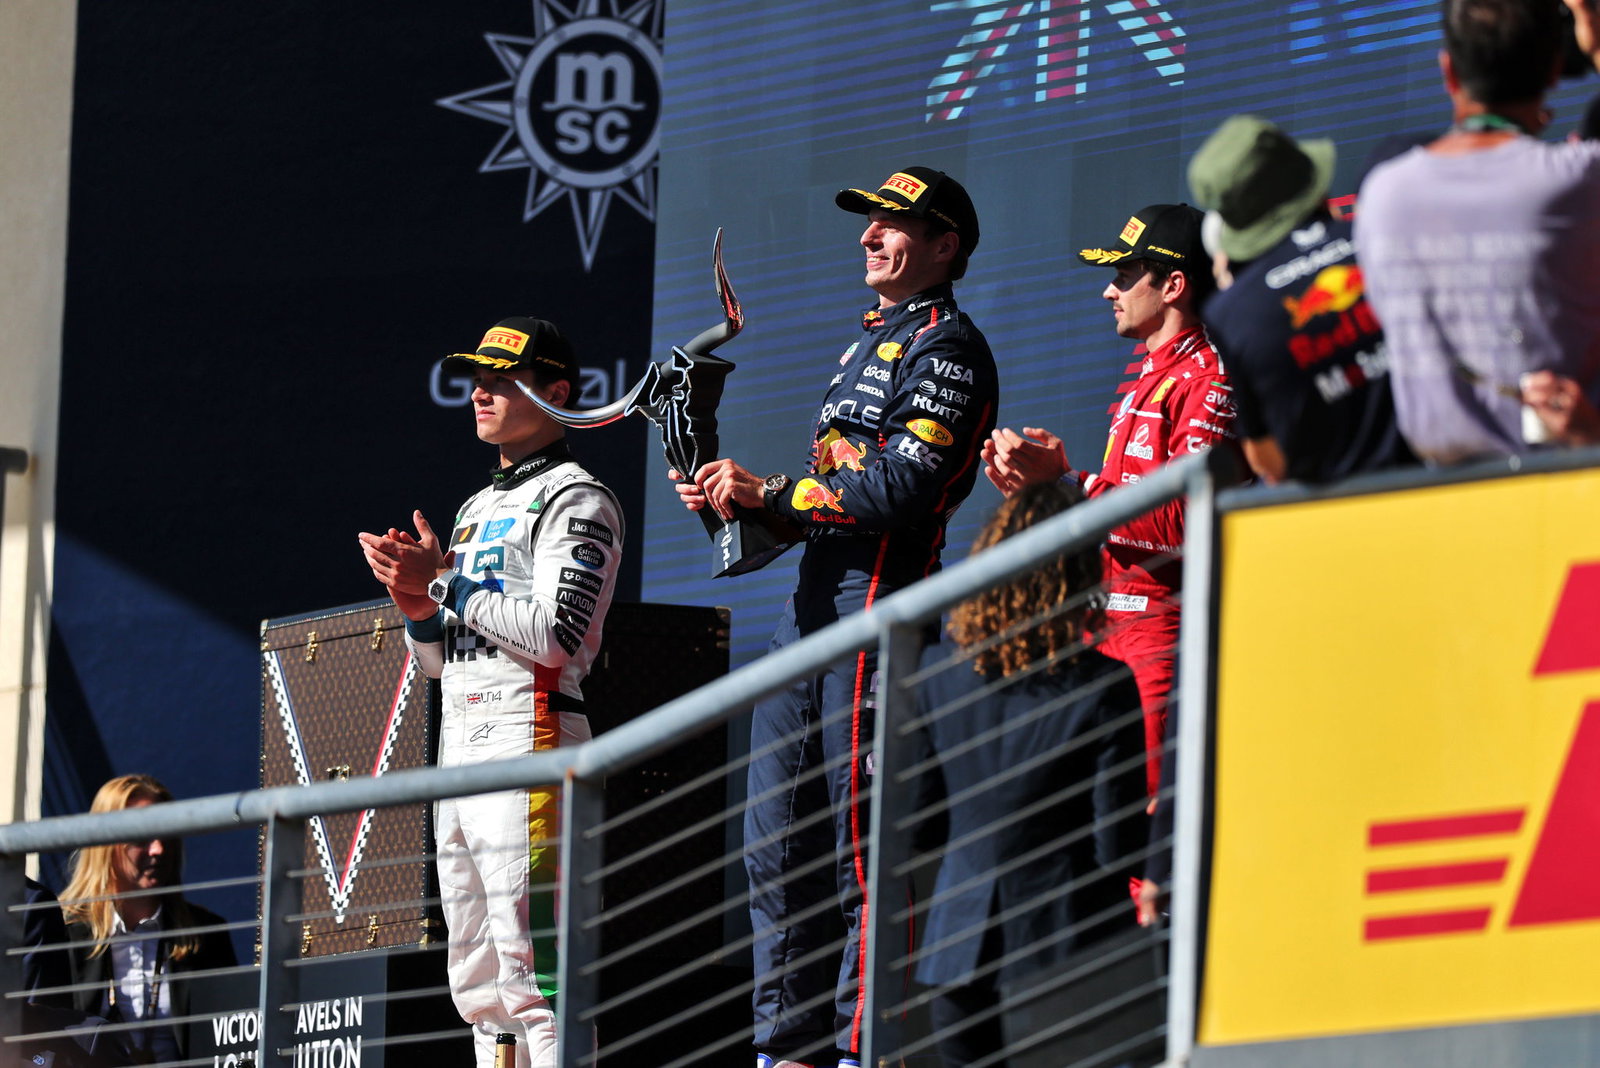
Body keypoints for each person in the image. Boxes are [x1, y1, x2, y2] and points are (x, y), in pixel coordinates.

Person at [672, 166, 998, 1068]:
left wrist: (773, 491)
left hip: (878, 615)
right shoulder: (868, 344)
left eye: (893, 224)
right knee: (774, 850)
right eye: (868, 222)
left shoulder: (950, 349)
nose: (868, 236)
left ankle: (862, 1049)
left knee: (863, 854)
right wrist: (742, 506)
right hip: (810, 611)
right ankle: (786, 1050)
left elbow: (897, 490)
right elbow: (834, 499)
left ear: (945, 246)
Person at [358, 317, 623, 1068]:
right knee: (477, 979)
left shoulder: (579, 499)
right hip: (461, 749)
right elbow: (441, 664)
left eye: (503, 380)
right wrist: (416, 606)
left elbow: (555, 638)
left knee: (537, 971)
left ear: (558, 394)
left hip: (531, 740)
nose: (481, 393)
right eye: (477, 379)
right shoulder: (474, 508)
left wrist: (443, 579)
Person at [982, 203, 1237, 793]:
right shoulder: (1149, 377)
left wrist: (1071, 484)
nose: (1108, 291)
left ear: (1173, 285)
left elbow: (1188, 523)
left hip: (1163, 631)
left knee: (1145, 815)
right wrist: (1045, 494)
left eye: (1124, 276)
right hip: (1104, 626)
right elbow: (1121, 515)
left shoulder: (1209, 378)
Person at [909, 482, 1147, 1068]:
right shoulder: (1103, 686)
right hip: (1069, 951)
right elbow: (1116, 845)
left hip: (956, 957)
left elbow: (918, 823)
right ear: (1078, 578)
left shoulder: (937, 675)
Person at [1355, 0, 1600, 464]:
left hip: (1435, 494)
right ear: (1554, 71)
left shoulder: (1384, 195)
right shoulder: (1575, 182)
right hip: (1571, 477)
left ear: (1449, 71)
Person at [1187, 114, 1415, 483]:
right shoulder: (1391, 239)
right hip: (1457, 485)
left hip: (1330, 510)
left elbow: (1268, 462)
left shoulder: (1229, 314)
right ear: (1313, 186)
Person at [59, 774, 238, 1065]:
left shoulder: (206, 933)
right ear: (104, 841)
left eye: (165, 834)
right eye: (142, 835)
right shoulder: (61, 932)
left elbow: (231, 1038)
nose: (158, 849)